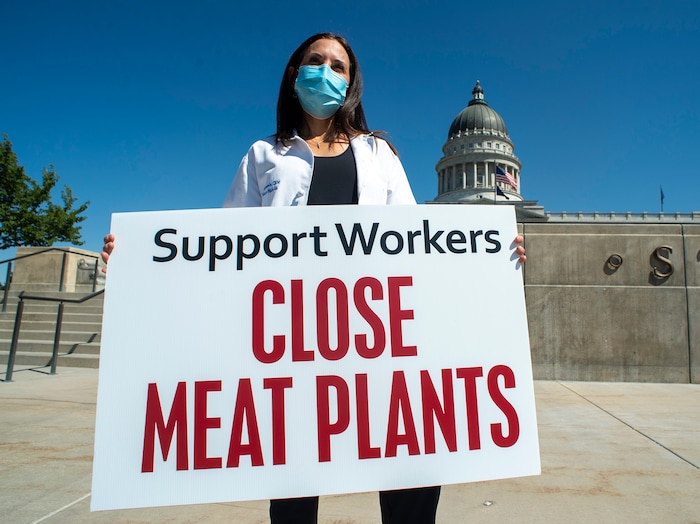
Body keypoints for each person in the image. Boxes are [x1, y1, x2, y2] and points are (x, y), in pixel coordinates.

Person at [102, 31, 525, 524]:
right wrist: (140, 263)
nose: (326, 72)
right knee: (293, 491)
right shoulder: (263, 155)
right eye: (315, 61)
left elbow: (420, 246)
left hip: (378, 340)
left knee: (410, 476)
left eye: (339, 66)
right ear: (294, 73)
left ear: (352, 83)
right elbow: (219, 253)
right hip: (293, 347)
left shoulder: (379, 154)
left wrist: (490, 256)